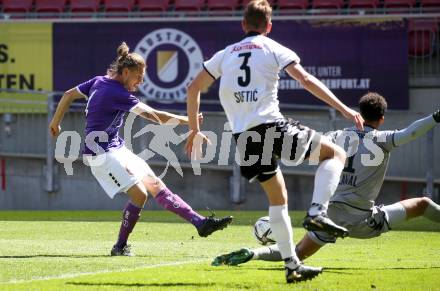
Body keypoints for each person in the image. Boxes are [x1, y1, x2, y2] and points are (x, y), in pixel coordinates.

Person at [185, 0, 365, 283]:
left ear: (243, 25)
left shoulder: (224, 54)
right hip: (271, 127)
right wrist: (344, 109)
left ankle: (292, 266)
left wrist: (194, 130)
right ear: (269, 26)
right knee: (336, 154)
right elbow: (304, 79)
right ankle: (318, 212)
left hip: (244, 139)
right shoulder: (272, 47)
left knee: (278, 201)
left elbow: (193, 88)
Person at [211, 92, 440, 266]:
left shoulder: (336, 137)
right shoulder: (382, 139)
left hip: (330, 215)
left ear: (359, 112)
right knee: (422, 204)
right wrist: (435, 117)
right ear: (381, 119)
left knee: (297, 252)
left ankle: (253, 253)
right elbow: (410, 133)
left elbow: (303, 150)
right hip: (363, 218)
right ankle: (254, 253)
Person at [49, 42, 232, 257]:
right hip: (100, 155)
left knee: (156, 186)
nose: (141, 81)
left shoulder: (98, 82)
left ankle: (200, 223)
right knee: (140, 194)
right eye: (138, 76)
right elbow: (154, 116)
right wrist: (188, 121)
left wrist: (55, 122)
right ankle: (119, 247)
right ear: (125, 72)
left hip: (116, 148)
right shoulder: (116, 92)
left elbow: (68, 94)